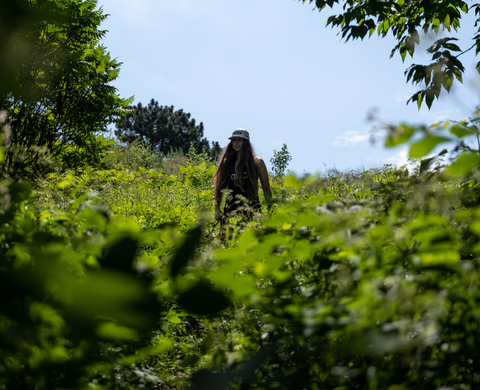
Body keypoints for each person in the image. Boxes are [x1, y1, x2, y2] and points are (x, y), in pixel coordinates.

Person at [212, 128, 272, 224]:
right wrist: (217, 208)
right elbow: (219, 187)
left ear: (246, 142)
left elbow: (266, 188)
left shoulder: (257, 162)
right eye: (234, 140)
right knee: (227, 238)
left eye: (239, 140)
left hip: (252, 209)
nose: (236, 143)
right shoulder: (226, 163)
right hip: (231, 211)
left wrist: (270, 207)